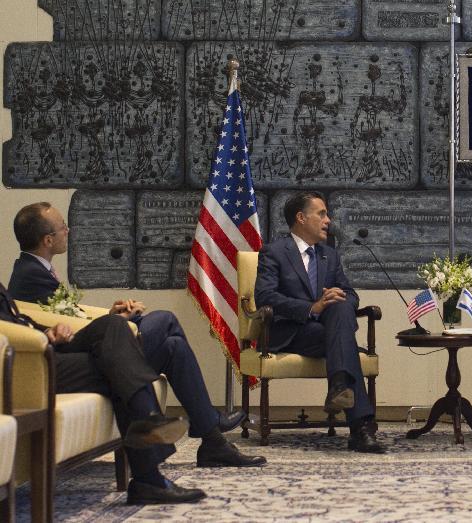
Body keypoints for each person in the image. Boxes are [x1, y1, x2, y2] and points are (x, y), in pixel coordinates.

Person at [8, 202, 265, 469]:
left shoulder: (34, 269)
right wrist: (116, 325)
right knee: (165, 320)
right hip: (78, 359)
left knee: (173, 347)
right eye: (63, 227)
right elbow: (57, 330)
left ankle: (213, 443)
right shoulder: (30, 275)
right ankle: (210, 423)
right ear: (48, 240)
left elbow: (65, 318)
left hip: (88, 346)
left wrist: (110, 316)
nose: (68, 230)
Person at [0, 281, 206, 504]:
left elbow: (17, 320)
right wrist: (40, 339)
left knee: (112, 324)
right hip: (28, 362)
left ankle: (149, 434)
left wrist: (49, 331)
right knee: (119, 364)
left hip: (46, 347)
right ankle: (149, 469)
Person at [254, 191, 385, 453]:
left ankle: (339, 385)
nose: (328, 220)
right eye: (321, 214)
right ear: (301, 218)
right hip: (291, 332)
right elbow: (265, 297)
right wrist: (311, 307)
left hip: (326, 331)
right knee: (343, 340)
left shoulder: (330, 255)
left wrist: (337, 297)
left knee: (341, 304)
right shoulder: (274, 252)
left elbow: (351, 294)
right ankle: (361, 428)